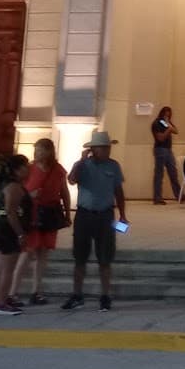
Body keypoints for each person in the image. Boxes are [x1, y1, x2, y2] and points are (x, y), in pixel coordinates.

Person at [62, 129, 126, 312]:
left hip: (106, 215)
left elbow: (118, 191)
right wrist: (80, 161)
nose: (107, 150)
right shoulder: (83, 165)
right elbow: (72, 180)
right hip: (84, 215)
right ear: (93, 149)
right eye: (103, 147)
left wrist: (123, 215)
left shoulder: (114, 166)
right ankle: (77, 295)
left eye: (108, 147)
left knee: (105, 258)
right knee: (80, 258)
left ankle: (105, 296)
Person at [8, 137, 71, 306]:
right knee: (27, 252)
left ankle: (37, 292)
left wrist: (67, 214)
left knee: (43, 254)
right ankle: (12, 293)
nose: (36, 153)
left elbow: (64, 192)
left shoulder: (58, 170)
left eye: (40, 150)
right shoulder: (29, 169)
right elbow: (17, 192)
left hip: (49, 214)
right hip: (33, 215)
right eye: (35, 150)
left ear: (49, 151)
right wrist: (30, 195)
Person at [0, 154, 31, 316]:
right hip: (8, 231)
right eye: (25, 166)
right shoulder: (14, 187)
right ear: (17, 170)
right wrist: (20, 234)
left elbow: (1, 210)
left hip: (1, 229)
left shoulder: (4, 185)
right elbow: (11, 212)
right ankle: (2, 303)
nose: (28, 169)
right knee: (7, 269)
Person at [151, 105, 180, 204]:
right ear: (162, 114)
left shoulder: (166, 123)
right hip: (160, 149)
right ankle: (157, 198)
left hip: (168, 150)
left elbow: (176, 131)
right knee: (159, 174)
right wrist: (168, 129)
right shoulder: (157, 123)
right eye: (166, 114)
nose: (167, 116)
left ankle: (179, 195)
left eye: (169, 115)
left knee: (173, 172)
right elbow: (161, 138)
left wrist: (168, 124)